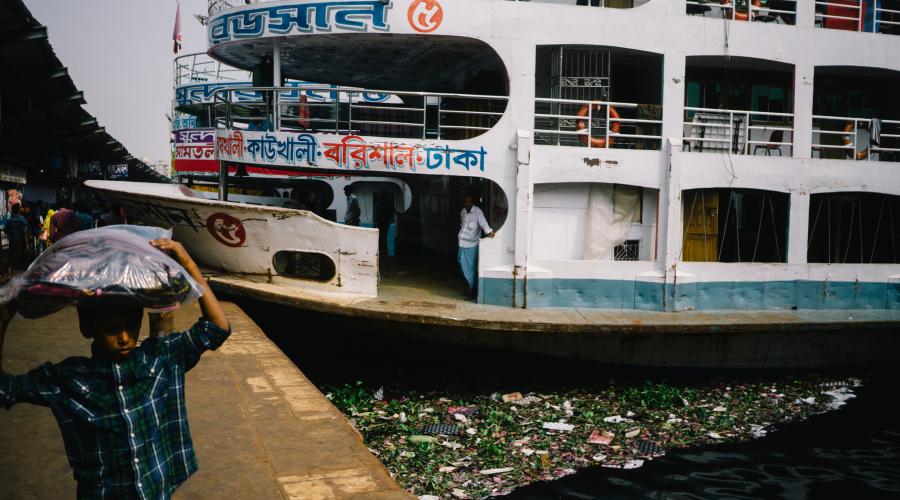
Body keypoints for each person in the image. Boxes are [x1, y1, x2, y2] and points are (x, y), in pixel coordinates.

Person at [0, 239, 230, 499]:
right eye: (111, 329)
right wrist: (6, 313)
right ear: (87, 329)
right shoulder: (67, 380)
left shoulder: (160, 358)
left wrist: (187, 261)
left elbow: (217, 328)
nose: (124, 337)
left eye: (131, 326)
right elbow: (4, 389)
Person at [457, 194, 495, 300]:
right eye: (465, 202)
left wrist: (489, 232)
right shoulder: (463, 212)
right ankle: (469, 287)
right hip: (461, 243)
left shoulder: (477, 212)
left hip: (471, 244)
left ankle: (471, 290)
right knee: (462, 266)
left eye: (469, 202)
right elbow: (462, 225)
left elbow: (483, 224)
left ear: (472, 202)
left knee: (470, 268)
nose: (467, 204)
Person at [4, 204, 28, 270]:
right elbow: (25, 233)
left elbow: (6, 231)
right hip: (21, 241)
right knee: (23, 258)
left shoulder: (10, 220)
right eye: (20, 208)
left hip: (12, 241)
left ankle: (9, 274)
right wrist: (27, 244)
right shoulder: (22, 219)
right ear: (18, 210)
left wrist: (12, 233)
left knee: (11, 258)